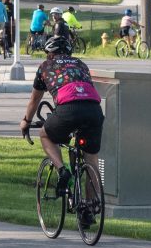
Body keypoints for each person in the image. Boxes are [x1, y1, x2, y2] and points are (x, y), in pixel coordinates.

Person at [19, 34, 105, 200]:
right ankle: (91, 208)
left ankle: (62, 171)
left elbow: (34, 100)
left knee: (45, 134)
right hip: (94, 109)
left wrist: (26, 121)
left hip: (68, 109)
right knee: (92, 159)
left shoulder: (45, 66)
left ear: (50, 54)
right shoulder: (81, 64)